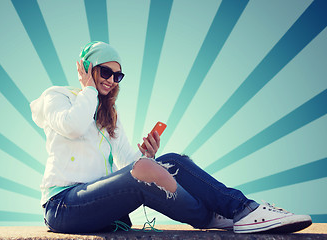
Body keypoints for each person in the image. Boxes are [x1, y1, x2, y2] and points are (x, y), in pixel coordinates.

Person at [30, 41, 312, 234]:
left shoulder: (108, 116)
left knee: (170, 161)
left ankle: (241, 209)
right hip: (63, 205)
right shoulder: (57, 97)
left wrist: (149, 157)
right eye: (106, 72)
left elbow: (128, 165)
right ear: (87, 68)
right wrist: (89, 89)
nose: (112, 80)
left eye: (118, 76)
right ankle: (213, 215)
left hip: (97, 203)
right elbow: (73, 127)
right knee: (145, 171)